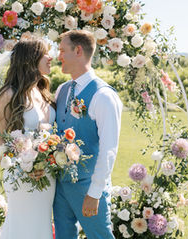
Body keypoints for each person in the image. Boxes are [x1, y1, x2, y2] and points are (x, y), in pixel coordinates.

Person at [53, 30, 123, 239]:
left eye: (62, 50)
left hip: (89, 186)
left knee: (100, 236)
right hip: (61, 186)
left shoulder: (104, 96)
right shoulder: (62, 90)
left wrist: (95, 192)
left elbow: (109, 149)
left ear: (78, 51)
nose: (59, 56)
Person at [0, 39, 55, 239]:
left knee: (41, 226)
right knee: (22, 227)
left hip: (47, 175)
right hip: (22, 176)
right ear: (31, 59)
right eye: (45, 54)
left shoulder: (43, 92)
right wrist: (24, 164)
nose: (50, 57)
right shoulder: (10, 94)